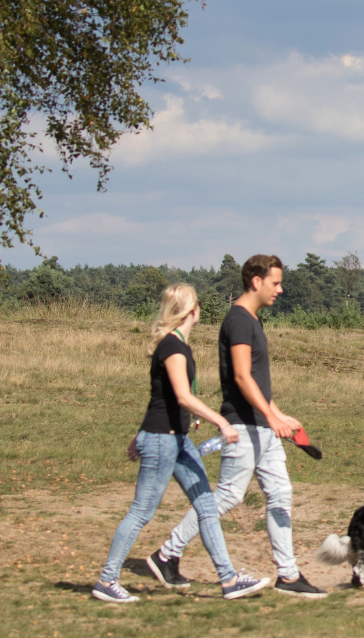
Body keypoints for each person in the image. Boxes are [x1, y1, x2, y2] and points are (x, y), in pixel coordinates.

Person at [148, 255, 326, 599]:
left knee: (280, 494)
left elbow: (257, 381)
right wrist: (270, 417)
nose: (280, 289)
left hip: (262, 426)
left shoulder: (253, 321)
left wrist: (279, 414)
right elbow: (242, 377)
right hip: (244, 426)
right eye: (275, 282)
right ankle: (166, 553)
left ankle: (288, 576)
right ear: (256, 282)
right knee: (228, 495)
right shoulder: (239, 321)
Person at [93, 284, 270, 604]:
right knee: (141, 512)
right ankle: (107, 580)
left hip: (177, 440)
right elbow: (181, 396)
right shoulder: (173, 348)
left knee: (205, 506)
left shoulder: (178, 345)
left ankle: (229, 580)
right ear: (192, 310)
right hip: (163, 441)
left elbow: (159, 398)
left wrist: (140, 434)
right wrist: (221, 421)